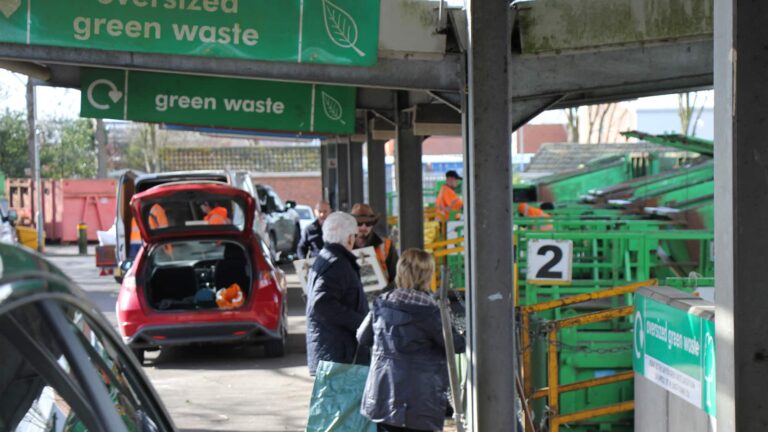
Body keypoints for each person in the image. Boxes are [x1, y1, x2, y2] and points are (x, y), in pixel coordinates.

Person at [357, 248, 466, 432]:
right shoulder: (431, 311)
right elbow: (456, 345)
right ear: (427, 275)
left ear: (400, 272)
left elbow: (362, 337)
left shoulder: (381, 303)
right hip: (420, 402)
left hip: (383, 397)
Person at [305, 211, 370, 376]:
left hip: (333, 352)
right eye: (354, 235)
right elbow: (322, 304)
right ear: (349, 238)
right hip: (338, 355)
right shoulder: (337, 264)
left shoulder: (327, 258)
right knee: (340, 402)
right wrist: (360, 323)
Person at [350, 203, 397, 289]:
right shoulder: (343, 247)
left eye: (368, 223)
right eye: (359, 223)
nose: (363, 227)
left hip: (382, 298)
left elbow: (396, 277)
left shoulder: (386, 246)